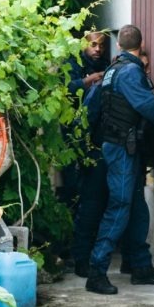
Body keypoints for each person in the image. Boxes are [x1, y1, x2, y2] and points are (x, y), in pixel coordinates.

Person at [85, 25, 154, 295]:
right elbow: (150, 109)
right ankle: (96, 271)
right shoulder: (131, 71)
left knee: (136, 207)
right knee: (121, 205)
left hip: (118, 145)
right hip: (123, 148)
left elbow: (93, 109)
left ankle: (140, 267)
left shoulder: (111, 70)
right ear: (141, 43)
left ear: (119, 45)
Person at [72, 50, 152, 279]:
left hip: (119, 152)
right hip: (101, 153)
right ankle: (83, 261)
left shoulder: (116, 81)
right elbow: (86, 117)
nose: (144, 73)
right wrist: (87, 151)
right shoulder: (109, 84)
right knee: (95, 205)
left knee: (131, 206)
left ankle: (136, 263)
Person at [59, 31, 110, 211]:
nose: (98, 49)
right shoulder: (73, 63)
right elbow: (65, 88)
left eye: (101, 45)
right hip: (71, 124)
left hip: (94, 128)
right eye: (94, 45)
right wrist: (88, 80)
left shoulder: (104, 64)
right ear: (84, 45)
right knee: (71, 172)